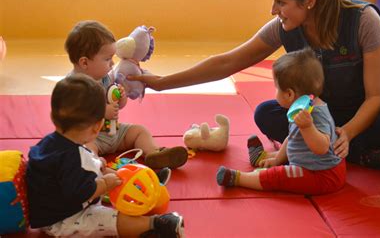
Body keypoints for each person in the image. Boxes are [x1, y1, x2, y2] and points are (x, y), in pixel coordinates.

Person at [127, 0, 380, 174]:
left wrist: (348, 133)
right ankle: (366, 155)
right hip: (330, 112)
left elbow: (375, 96)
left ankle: (345, 150)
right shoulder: (284, 27)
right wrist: (161, 82)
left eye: (281, 2)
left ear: (310, 1)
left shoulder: (363, 21)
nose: (273, 9)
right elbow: (227, 62)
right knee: (267, 113)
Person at [26, 74, 185, 237]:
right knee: (108, 218)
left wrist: (97, 164)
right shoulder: (73, 157)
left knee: (107, 173)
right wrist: (104, 184)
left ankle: (145, 186)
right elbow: (80, 193)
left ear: (53, 117)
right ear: (97, 127)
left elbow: (72, 169)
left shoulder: (51, 142)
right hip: (63, 220)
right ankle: (155, 225)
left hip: (57, 206)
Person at [216, 49, 345, 194]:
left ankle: (239, 178)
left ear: (289, 94)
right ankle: (264, 158)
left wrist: (308, 127)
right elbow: (292, 137)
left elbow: (322, 148)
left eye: (276, 88)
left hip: (323, 175)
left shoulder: (316, 113)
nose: (275, 92)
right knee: (282, 164)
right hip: (312, 166)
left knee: (279, 177)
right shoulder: (302, 108)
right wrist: (278, 158)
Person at [65, 20, 188, 170]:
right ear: (84, 63)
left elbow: (117, 104)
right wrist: (101, 111)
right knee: (84, 150)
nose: (112, 64)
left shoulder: (104, 77)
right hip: (90, 137)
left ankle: (154, 154)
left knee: (139, 131)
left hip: (114, 132)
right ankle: (98, 168)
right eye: (107, 59)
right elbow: (72, 115)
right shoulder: (73, 86)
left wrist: (121, 97)